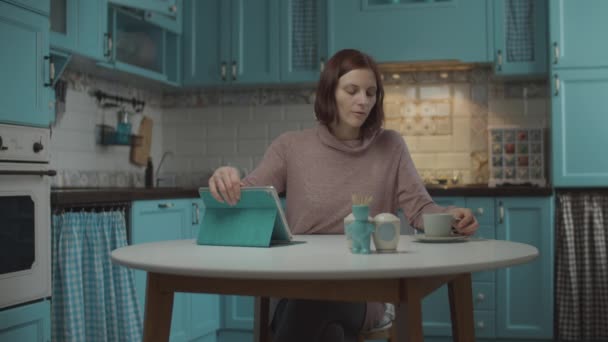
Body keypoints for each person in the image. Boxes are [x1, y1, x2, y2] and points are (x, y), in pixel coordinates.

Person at [208, 48, 479, 342]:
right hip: (297, 283)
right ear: (329, 92)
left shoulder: (391, 145)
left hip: (367, 290)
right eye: (351, 90)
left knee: (314, 304)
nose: (363, 101)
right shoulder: (290, 147)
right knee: (327, 326)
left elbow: (420, 208)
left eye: (370, 93)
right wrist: (226, 177)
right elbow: (247, 195)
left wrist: (449, 217)